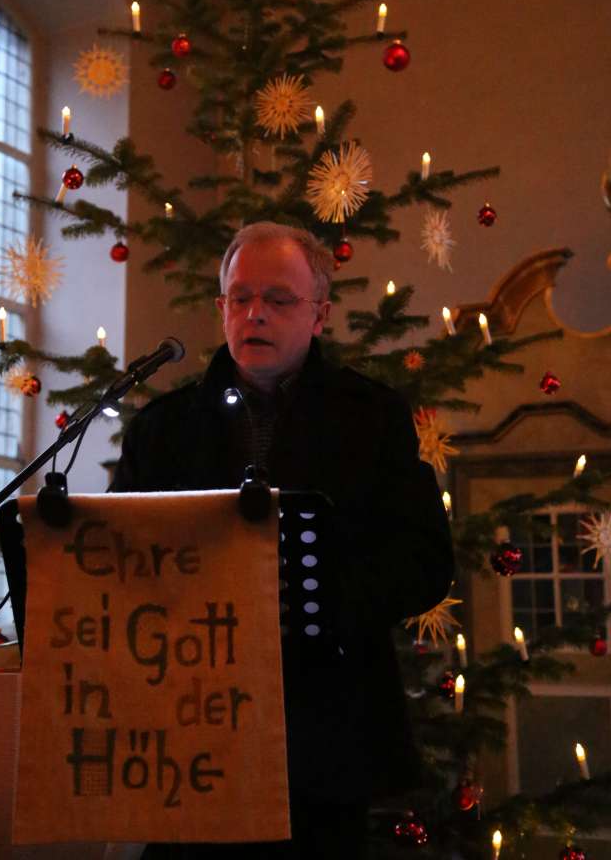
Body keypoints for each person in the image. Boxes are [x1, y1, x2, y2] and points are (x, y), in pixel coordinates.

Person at [111, 222, 454, 859]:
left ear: (320, 314)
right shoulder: (163, 429)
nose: (255, 314)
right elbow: (115, 561)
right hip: (188, 733)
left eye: (278, 299)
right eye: (239, 298)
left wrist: (316, 602)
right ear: (221, 310)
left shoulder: (371, 418)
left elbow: (425, 559)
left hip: (322, 735)